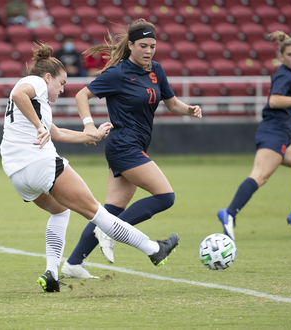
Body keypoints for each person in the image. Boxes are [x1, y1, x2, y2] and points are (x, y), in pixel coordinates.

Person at [0, 42, 180, 292]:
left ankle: (51, 274)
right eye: (61, 83)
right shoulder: (36, 83)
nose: (62, 89)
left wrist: (91, 135)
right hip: (39, 163)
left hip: (16, 172)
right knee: (98, 213)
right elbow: (22, 97)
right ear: (48, 76)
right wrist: (40, 127)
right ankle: (154, 249)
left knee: (61, 211)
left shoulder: (38, 102)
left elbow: (57, 133)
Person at [61, 19, 203, 279]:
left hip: (134, 144)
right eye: (143, 46)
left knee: (111, 211)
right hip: (123, 145)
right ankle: (109, 231)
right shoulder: (118, 73)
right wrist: (88, 126)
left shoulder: (156, 70)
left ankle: (73, 263)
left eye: (152, 46)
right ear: (130, 45)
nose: (148, 51)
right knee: (165, 196)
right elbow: (82, 95)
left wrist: (189, 109)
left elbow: (171, 104)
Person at [217, 31, 291, 240]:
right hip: (272, 135)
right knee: (260, 176)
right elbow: (275, 101)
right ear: (282, 57)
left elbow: (281, 108)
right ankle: (228, 213)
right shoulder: (285, 75)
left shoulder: (289, 75)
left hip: (282, 134)